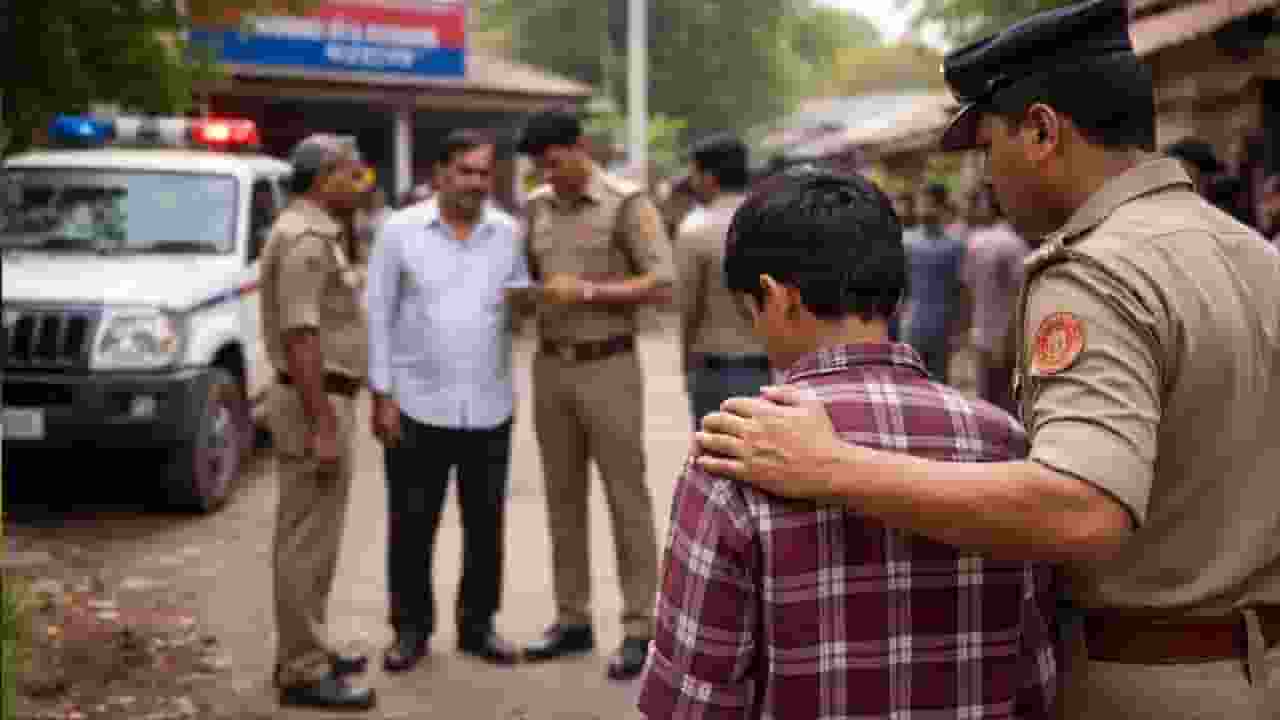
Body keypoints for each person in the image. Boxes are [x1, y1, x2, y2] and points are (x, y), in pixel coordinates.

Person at [694, 0, 1280, 715]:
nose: (987, 177)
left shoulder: (1098, 271)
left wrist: (830, 466)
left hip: (1147, 681)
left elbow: (1083, 511)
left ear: (1040, 130)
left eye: (986, 146)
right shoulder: (1252, 255)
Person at [637, 167, 1056, 720]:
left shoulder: (736, 452)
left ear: (776, 298)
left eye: (750, 311)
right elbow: (1038, 674)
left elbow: (693, 702)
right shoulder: (1004, 443)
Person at [514, 108, 675, 680]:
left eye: (555, 162)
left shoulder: (628, 204)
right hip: (550, 369)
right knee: (562, 499)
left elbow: (662, 282)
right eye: (540, 167)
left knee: (625, 498)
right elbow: (526, 279)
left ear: (580, 147)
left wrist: (585, 292)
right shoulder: (534, 208)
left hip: (610, 365)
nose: (549, 175)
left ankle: (640, 627)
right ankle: (573, 619)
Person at [365, 129, 526, 674]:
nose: (477, 183)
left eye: (484, 173)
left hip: (489, 404)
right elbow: (379, 315)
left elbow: (518, 304)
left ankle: (478, 625)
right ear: (440, 174)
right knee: (412, 523)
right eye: (466, 171)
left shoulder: (508, 233)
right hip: (416, 404)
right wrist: (382, 394)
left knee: (486, 525)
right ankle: (410, 630)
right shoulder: (400, 231)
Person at [259, 134, 376, 710]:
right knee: (306, 543)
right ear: (325, 176)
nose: (361, 183)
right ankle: (303, 671)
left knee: (311, 540)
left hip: (322, 399)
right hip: (315, 402)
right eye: (352, 174)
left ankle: (305, 648)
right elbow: (301, 337)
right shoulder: (305, 239)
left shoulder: (316, 231)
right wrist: (323, 423)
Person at [677, 133, 769, 425]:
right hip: (767, 369)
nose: (691, 181)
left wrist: (685, 361)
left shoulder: (695, 228)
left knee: (717, 463)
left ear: (710, 177)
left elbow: (689, 309)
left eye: (693, 173)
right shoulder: (773, 219)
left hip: (714, 371)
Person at [961, 186, 1029, 414]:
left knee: (985, 404)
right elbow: (1020, 294)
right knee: (1008, 405)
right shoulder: (1016, 244)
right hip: (1008, 338)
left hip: (981, 334)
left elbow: (967, 288)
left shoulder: (975, 241)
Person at [901, 182, 966, 382]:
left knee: (939, 381)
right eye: (923, 203)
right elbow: (902, 284)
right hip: (913, 322)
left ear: (942, 208)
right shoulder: (906, 241)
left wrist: (960, 327)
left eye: (931, 204)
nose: (926, 209)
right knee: (911, 379)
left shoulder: (955, 246)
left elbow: (958, 289)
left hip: (941, 325)